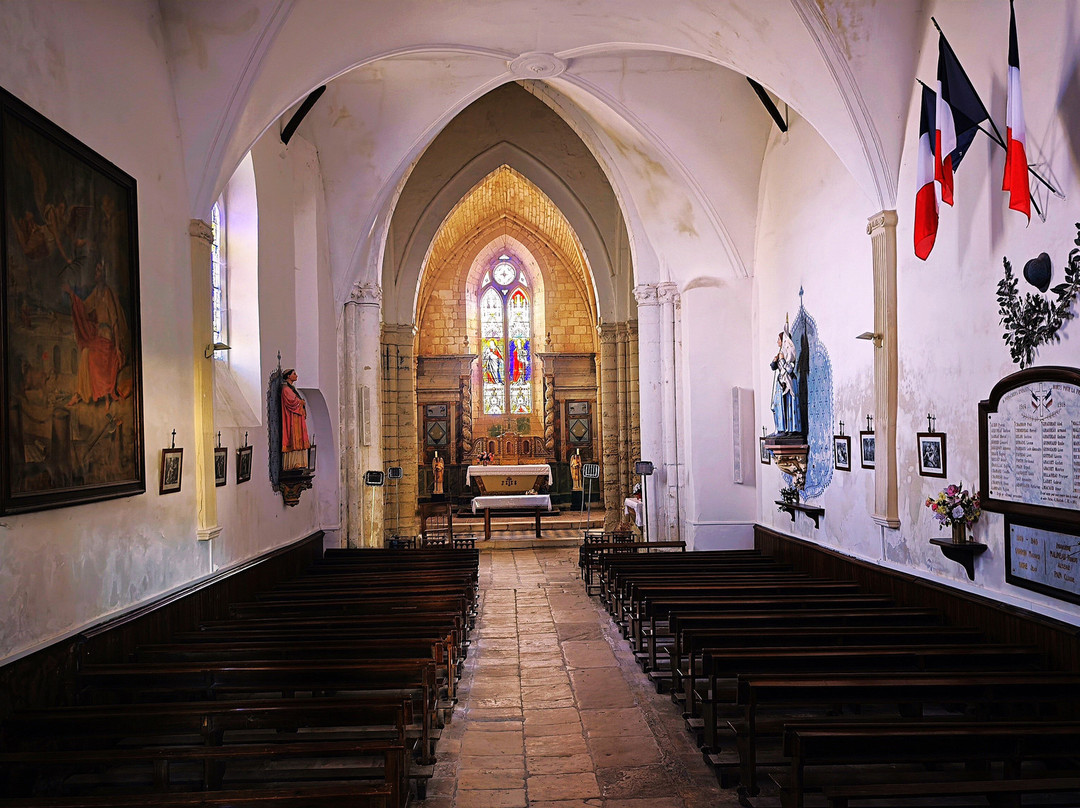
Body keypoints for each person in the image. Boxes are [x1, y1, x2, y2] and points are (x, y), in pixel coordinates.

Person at [770, 323, 801, 434]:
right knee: (776, 405)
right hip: (780, 384)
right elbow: (774, 368)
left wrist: (782, 360)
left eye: (779, 339)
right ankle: (780, 428)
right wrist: (775, 361)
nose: (777, 342)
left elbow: (789, 369)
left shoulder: (790, 354)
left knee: (789, 404)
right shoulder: (780, 353)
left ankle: (792, 429)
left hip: (789, 383)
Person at [281, 368, 310, 470]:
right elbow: (292, 402)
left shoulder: (292, 389)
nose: (296, 376)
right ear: (288, 376)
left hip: (298, 418)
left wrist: (301, 402)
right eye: (294, 374)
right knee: (293, 438)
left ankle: (299, 461)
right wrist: (300, 402)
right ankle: (293, 463)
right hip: (292, 419)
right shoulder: (286, 389)